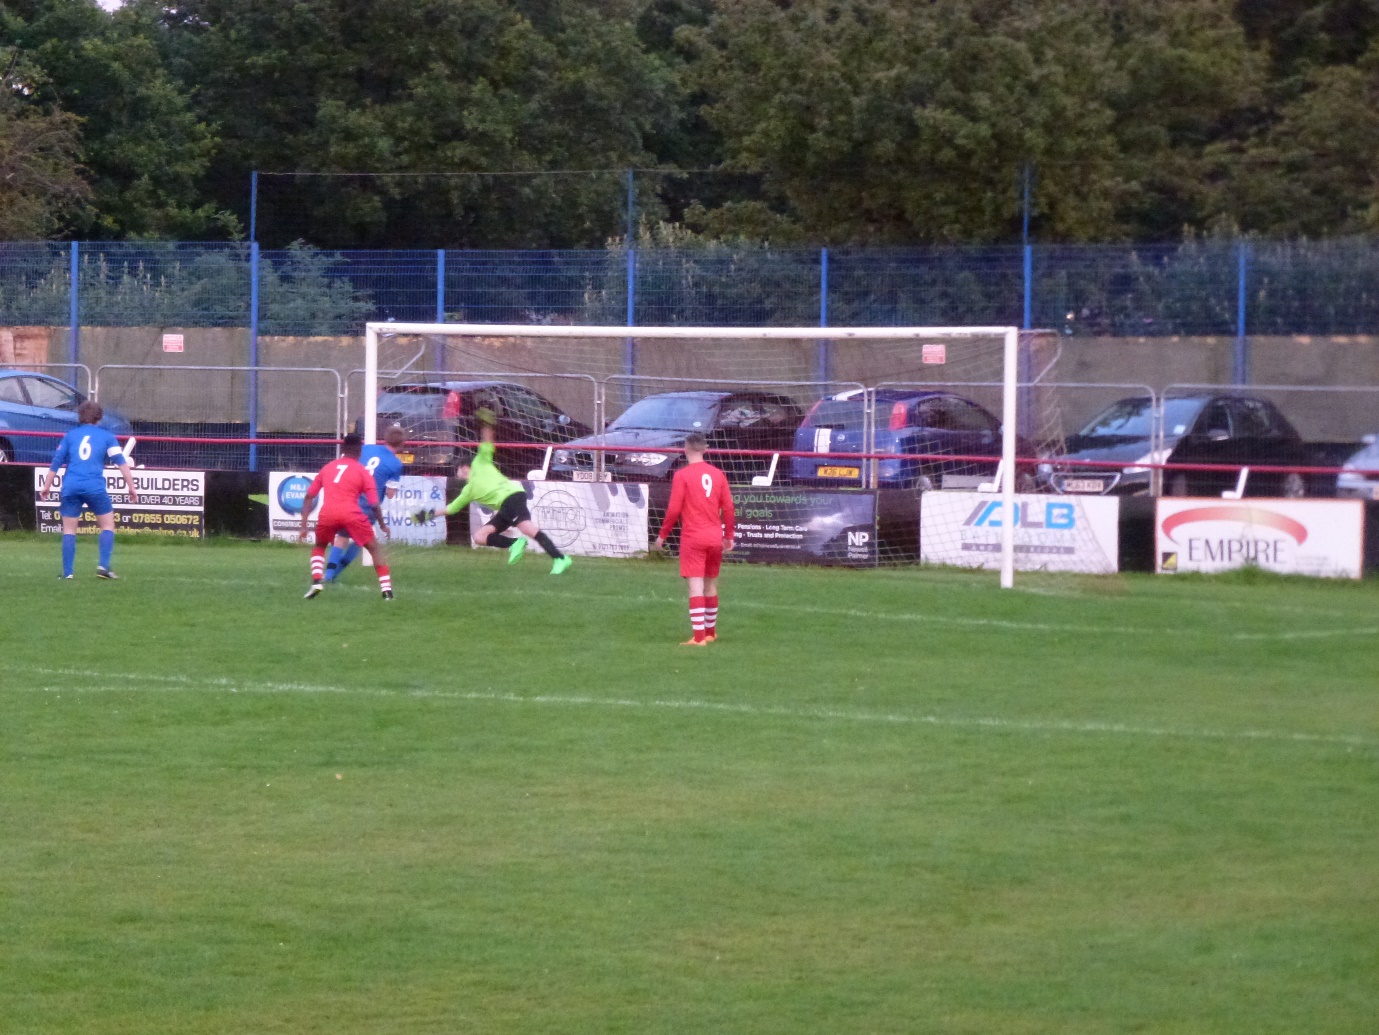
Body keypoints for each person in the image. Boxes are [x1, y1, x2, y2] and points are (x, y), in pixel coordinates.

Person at [438, 407, 571, 574]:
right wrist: (427, 515)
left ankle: (560, 558)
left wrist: (487, 424)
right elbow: (452, 509)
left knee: (528, 528)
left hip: (512, 497)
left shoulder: (480, 462)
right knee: (480, 537)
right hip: (506, 506)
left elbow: (487, 442)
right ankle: (516, 544)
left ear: (464, 467)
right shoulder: (468, 490)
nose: (456, 473)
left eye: (456, 469)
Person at [38, 401, 139, 580]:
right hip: (94, 487)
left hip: (71, 486)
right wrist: (131, 487)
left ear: (80, 416)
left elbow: (56, 462)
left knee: (69, 530)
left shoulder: (70, 436)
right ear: (99, 417)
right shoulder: (107, 436)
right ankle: (103, 567)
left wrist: (47, 486)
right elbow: (121, 462)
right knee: (107, 526)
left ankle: (68, 573)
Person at [653, 431, 735, 645]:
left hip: (693, 537)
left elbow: (674, 509)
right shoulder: (718, 474)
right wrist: (729, 536)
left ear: (685, 449)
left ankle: (699, 639)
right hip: (714, 537)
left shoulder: (682, 475)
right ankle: (710, 633)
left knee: (695, 586)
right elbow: (728, 507)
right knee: (711, 584)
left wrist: (662, 535)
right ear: (705, 449)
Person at [298, 433, 394, 599]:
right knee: (374, 549)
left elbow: (308, 497)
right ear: (360, 452)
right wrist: (382, 525)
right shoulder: (363, 472)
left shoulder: (328, 467)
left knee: (320, 546)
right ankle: (387, 592)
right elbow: (374, 504)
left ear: (343, 449)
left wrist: (304, 526)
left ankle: (317, 581)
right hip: (352, 514)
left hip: (328, 514)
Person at [324, 424, 406, 582]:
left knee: (341, 538)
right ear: (402, 443)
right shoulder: (395, 464)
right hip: (368, 506)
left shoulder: (367, 448)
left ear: (385, 438)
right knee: (360, 541)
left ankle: (328, 575)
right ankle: (333, 575)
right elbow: (390, 494)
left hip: (349, 499)